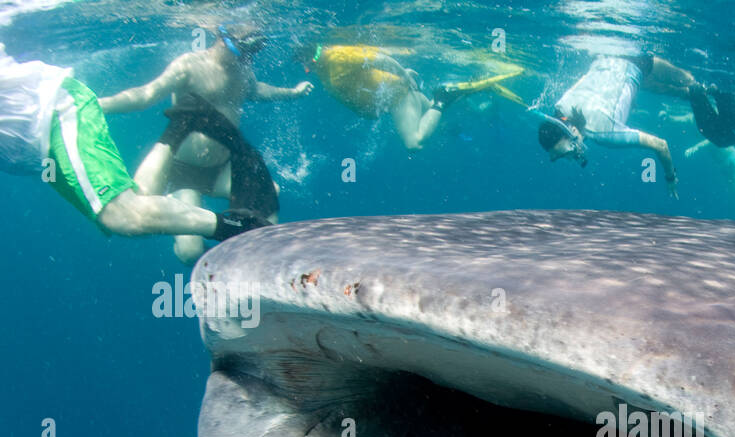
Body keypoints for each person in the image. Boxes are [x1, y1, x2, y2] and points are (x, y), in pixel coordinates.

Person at [0, 43, 264, 241]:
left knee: (126, 216)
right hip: (38, 149)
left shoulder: (204, 67)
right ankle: (176, 135)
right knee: (140, 213)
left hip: (54, 115)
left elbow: (144, 96)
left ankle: (244, 227)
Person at [98, 22, 312, 261]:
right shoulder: (189, 65)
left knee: (269, 193)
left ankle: (254, 263)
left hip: (222, 169)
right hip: (184, 174)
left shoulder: (243, 71)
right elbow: (145, 95)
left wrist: (291, 93)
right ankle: (173, 204)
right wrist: (96, 106)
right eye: (244, 49)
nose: (247, 58)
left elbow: (257, 90)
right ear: (223, 39)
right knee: (190, 253)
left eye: (254, 52)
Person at [538, 54, 705, 197]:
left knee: (689, 79)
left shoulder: (604, 134)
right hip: (603, 61)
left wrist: (670, 177)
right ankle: (693, 93)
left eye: (570, 150)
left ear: (572, 130)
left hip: (637, 64)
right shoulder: (560, 109)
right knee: (673, 90)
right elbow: (584, 82)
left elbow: (661, 145)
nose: (572, 156)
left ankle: (706, 88)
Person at [303, 44, 523, 150]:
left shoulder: (337, 56)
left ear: (311, 57)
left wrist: (401, 74)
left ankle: (443, 97)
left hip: (398, 97)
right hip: (397, 96)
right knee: (443, 123)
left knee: (413, 143)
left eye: (305, 65)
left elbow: (379, 58)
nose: (305, 70)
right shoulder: (324, 68)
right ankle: (484, 97)